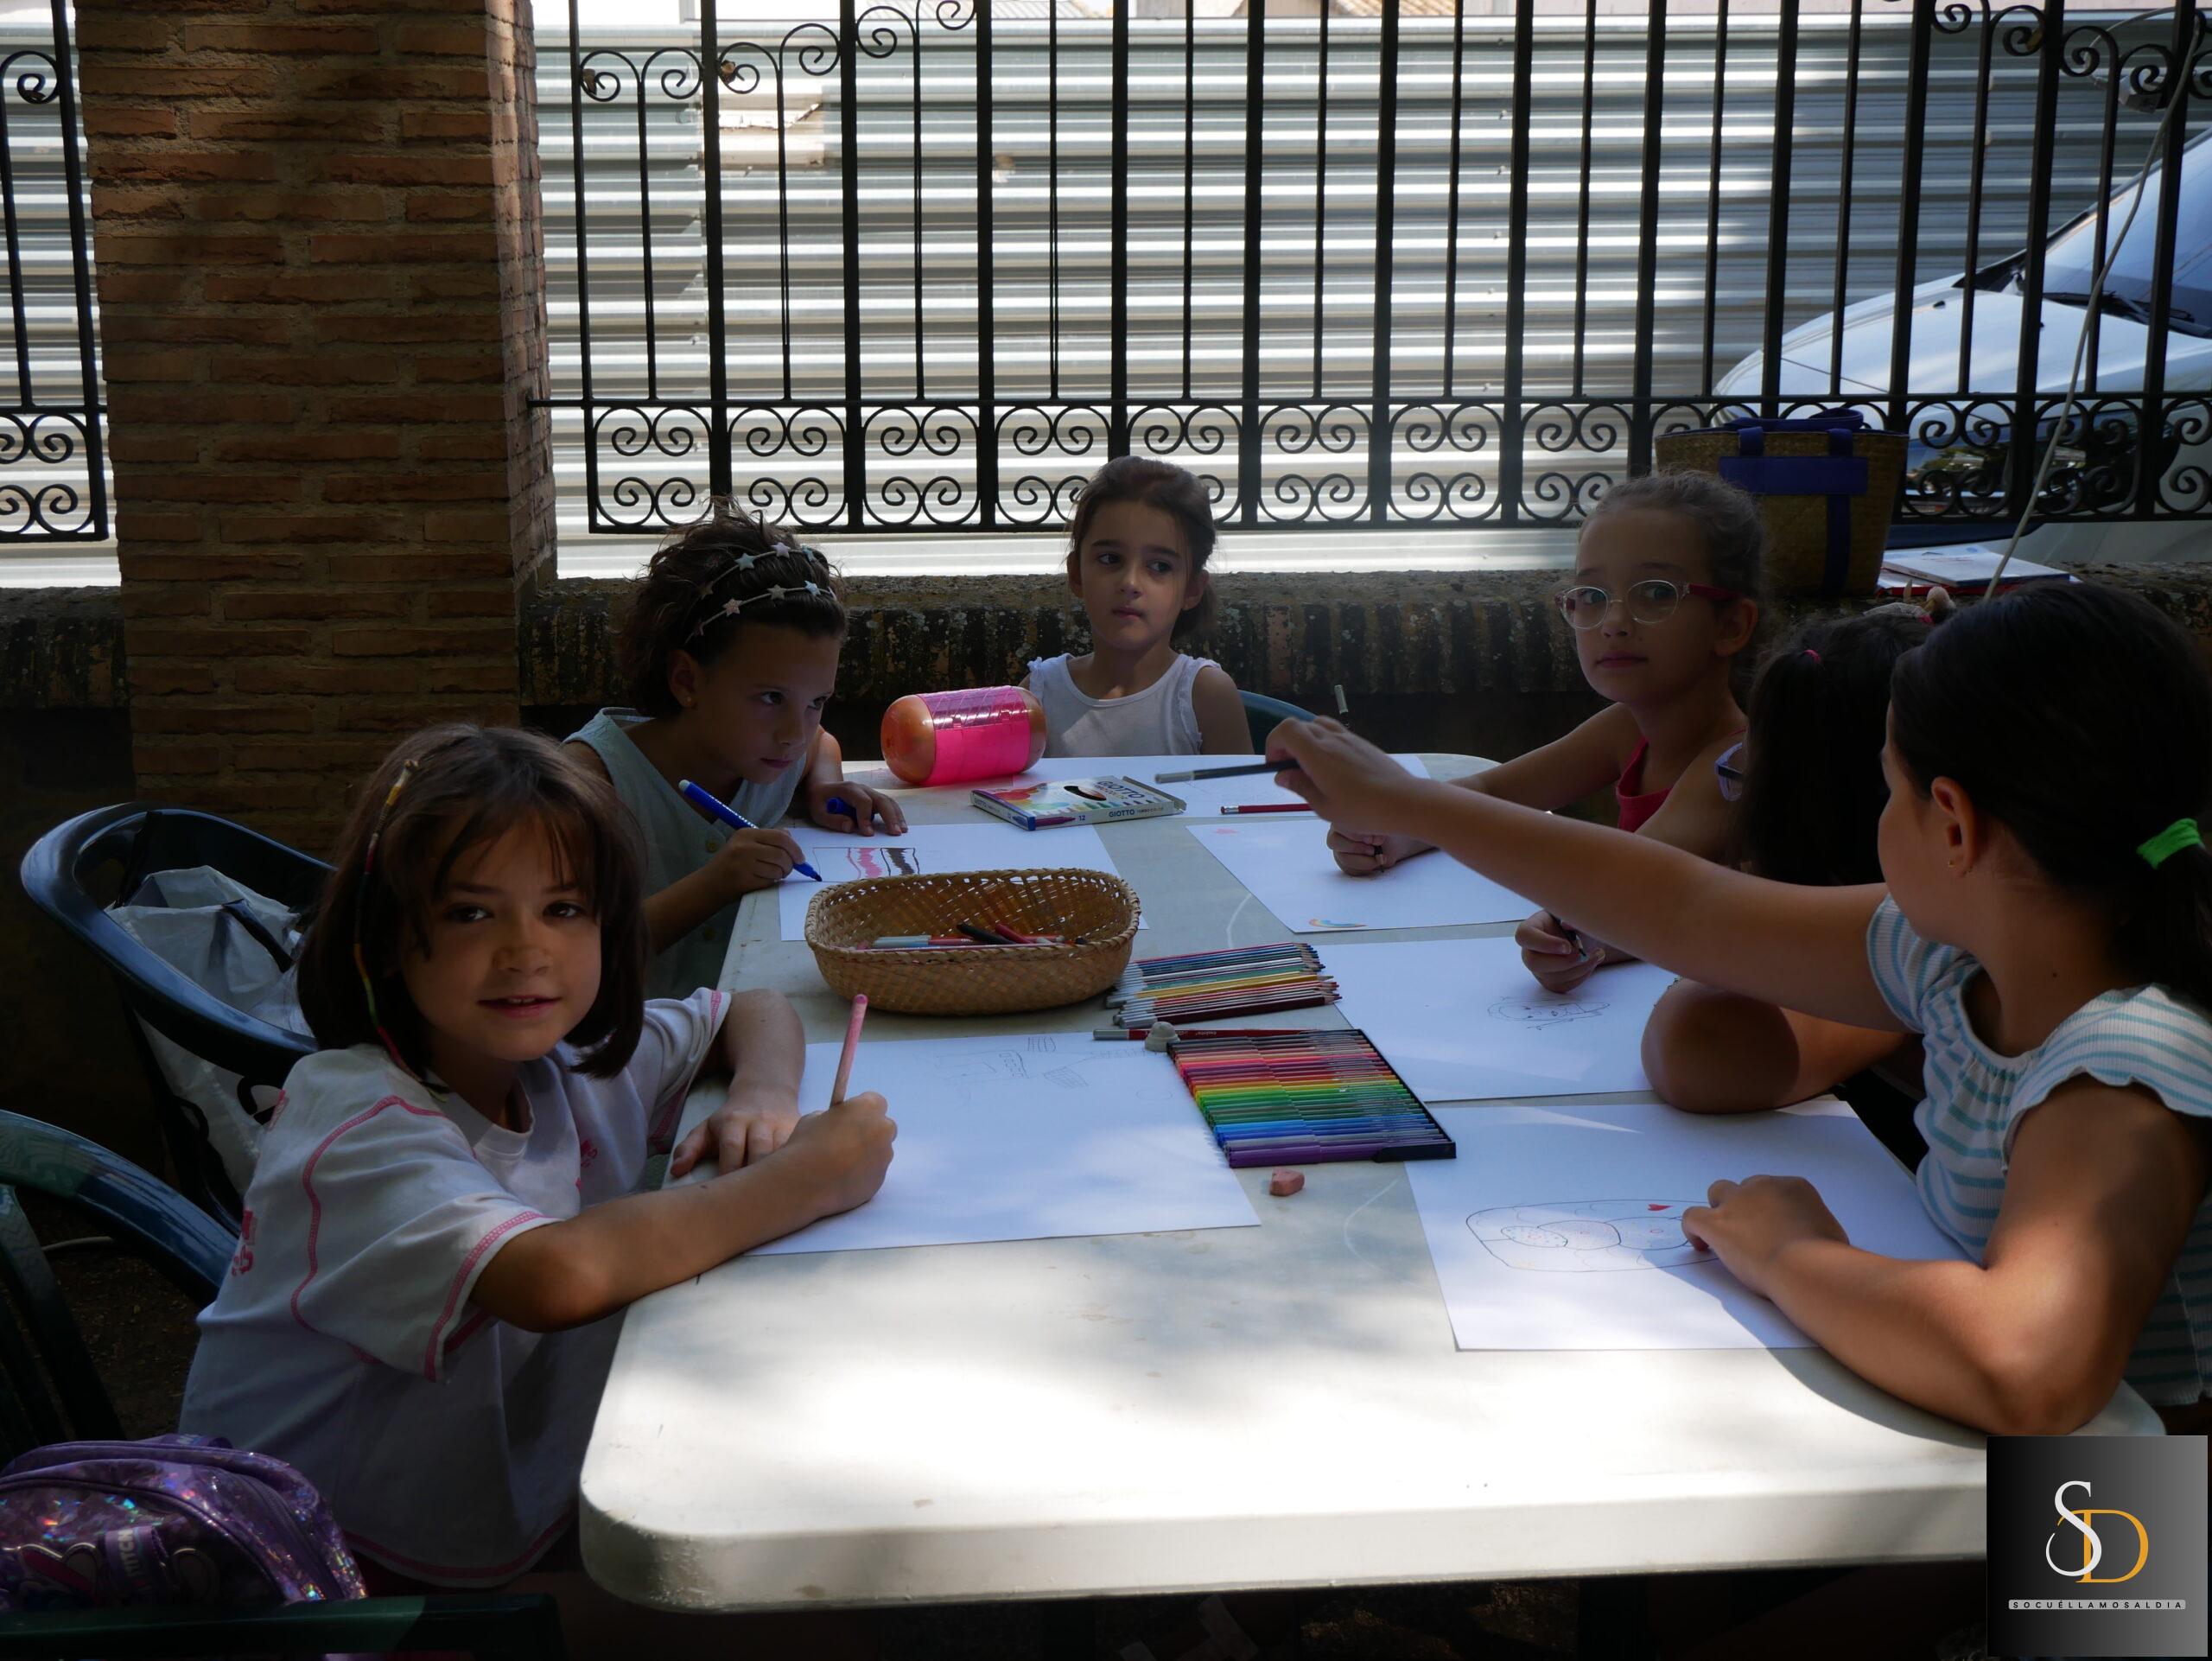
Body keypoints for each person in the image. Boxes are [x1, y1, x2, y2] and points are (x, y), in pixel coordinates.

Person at [1268, 581, 2212, 1437]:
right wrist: (1412, 803)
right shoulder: (1957, 951)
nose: (1878, 820)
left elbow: (2026, 1366)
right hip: (1984, 1454)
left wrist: (1792, 1255)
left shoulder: (2122, 1060)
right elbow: (1688, 909)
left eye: (1887, 789)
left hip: (2134, 1524)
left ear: (1955, 824)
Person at [181, 726, 898, 1588]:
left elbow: (752, 1006)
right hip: (332, 1574)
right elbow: (552, 1276)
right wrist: (805, 1177)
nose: (526, 948)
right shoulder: (355, 1119)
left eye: (563, 908)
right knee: (793, 1595)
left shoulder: (561, 1058)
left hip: (504, 1500)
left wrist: (763, 1096)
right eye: (471, 911)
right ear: (382, 938)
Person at [1328, 470, 1764, 991]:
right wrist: (1395, 833)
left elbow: (1634, 883)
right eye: (1593, 594)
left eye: (1654, 593)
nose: (1614, 621)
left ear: (1731, 625)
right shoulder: (1627, 728)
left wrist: (1576, 934)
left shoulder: (1736, 762)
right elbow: (1495, 791)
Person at [567, 506, 907, 1000]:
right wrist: (713, 884)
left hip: (748, 1027)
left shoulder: (773, 754)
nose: (793, 733)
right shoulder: (583, 788)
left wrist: (824, 784)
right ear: (686, 681)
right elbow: (570, 959)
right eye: (771, 698)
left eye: (816, 701)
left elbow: (819, 742)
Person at [1643, 604, 1935, 1124]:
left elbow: (1696, 1045)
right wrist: (1593, 934)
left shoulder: (1926, 950)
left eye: (1742, 777)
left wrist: (1712, 939)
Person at [1023, 454, 1249, 756]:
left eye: (1159, 566)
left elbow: (1239, 801)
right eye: (1110, 559)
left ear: (1192, 588)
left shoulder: (1205, 696)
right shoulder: (1038, 695)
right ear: (1077, 573)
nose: (1130, 583)